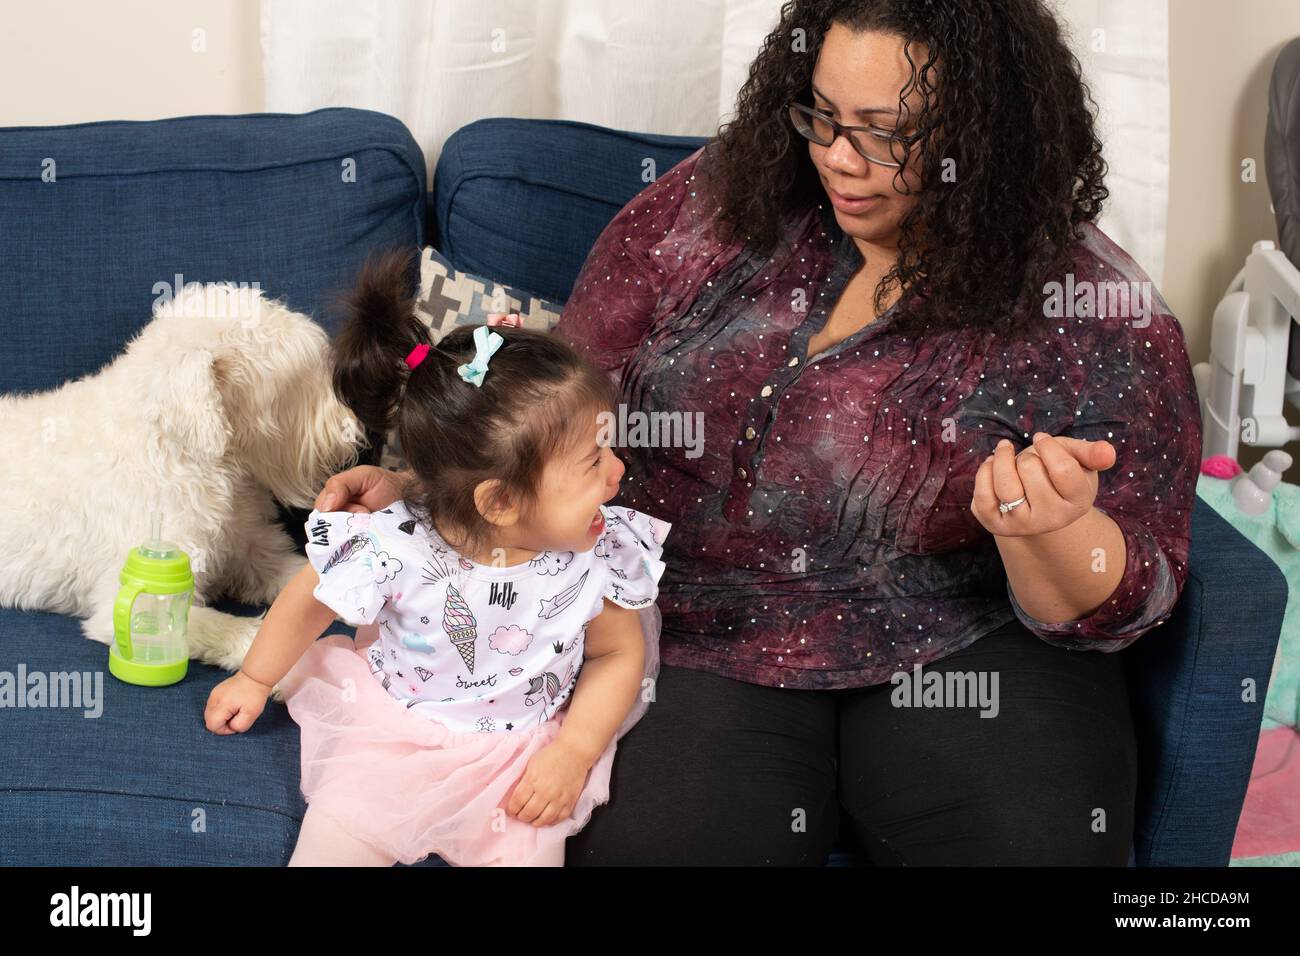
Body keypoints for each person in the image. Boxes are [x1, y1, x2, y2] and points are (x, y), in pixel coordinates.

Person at [316, 0, 1201, 865]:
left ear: (986, 132)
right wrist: (438, 497)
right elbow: (552, 414)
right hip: (699, 628)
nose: (839, 160)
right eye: (822, 113)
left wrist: (1055, 532)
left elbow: (1138, 591)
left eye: (885, 132)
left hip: (952, 638)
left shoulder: (1089, 309)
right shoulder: (713, 206)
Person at [204, 248, 672, 867]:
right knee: (336, 843)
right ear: (500, 501)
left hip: (521, 754)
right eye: (594, 463)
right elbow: (309, 601)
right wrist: (256, 677)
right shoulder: (391, 545)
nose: (618, 473)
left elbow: (618, 653)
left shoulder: (598, 552)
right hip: (392, 731)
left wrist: (574, 752)